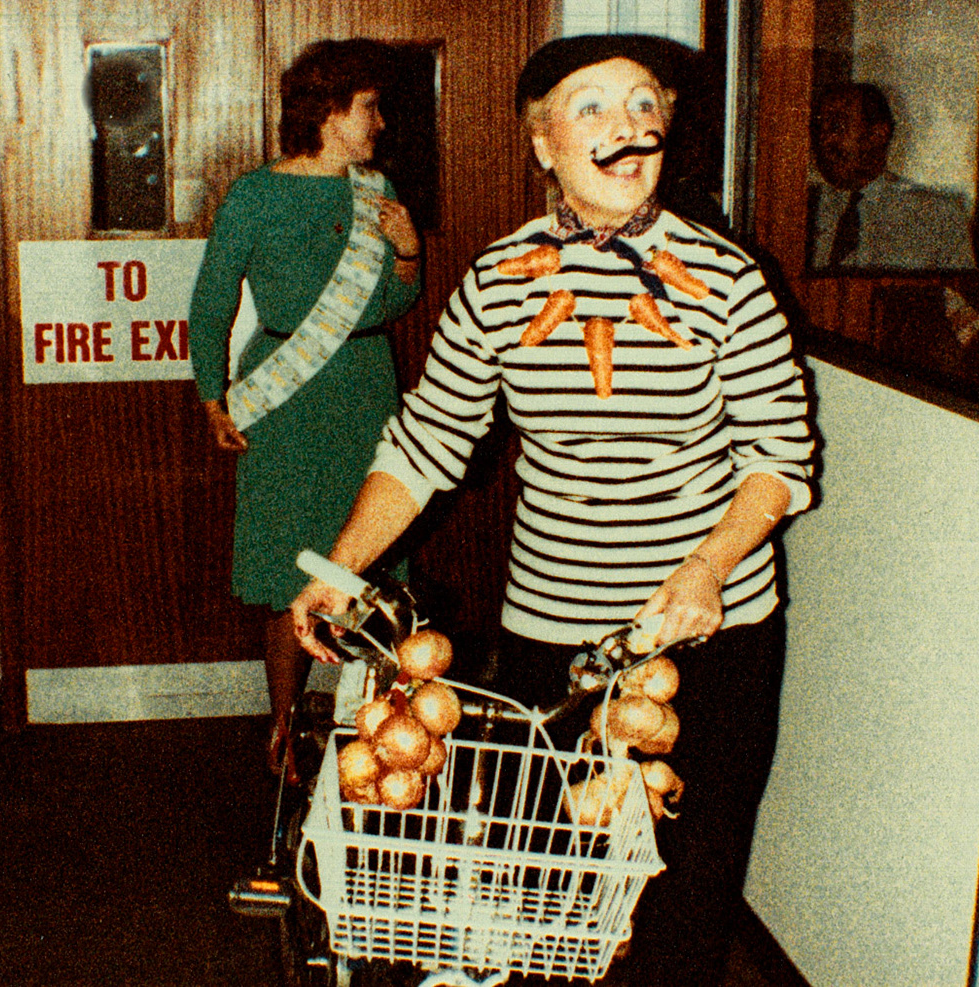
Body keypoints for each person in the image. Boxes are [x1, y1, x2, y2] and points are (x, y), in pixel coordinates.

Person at [291, 34, 816, 986]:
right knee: (563, 895)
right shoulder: (497, 282)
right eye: (593, 110)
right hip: (555, 637)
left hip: (708, 634)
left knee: (684, 894)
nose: (629, 129)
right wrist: (339, 568)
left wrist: (708, 566)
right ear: (543, 146)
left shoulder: (731, 278)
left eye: (643, 106)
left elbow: (780, 460)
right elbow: (425, 443)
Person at [188, 39, 421, 783]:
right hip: (284, 396)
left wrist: (410, 254)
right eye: (369, 107)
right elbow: (211, 300)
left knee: (375, 564)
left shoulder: (374, 190)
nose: (380, 122)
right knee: (286, 565)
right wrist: (210, 394)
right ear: (328, 111)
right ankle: (284, 726)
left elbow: (392, 301)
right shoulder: (254, 195)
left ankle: (383, 740)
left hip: (364, 384)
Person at [809, 82, 975, 270]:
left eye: (837, 126)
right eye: (818, 129)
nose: (824, 141)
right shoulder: (804, 211)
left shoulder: (936, 217)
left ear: (878, 134)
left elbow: (956, 297)